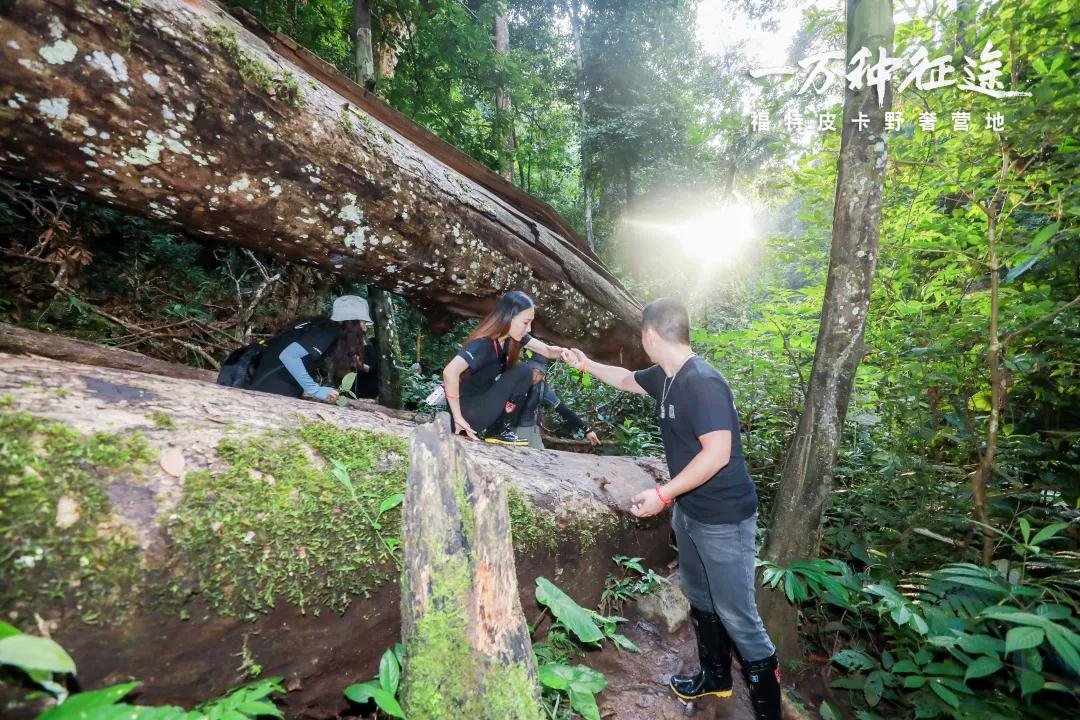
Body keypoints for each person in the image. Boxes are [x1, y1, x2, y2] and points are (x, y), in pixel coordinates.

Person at [561, 298, 780, 720]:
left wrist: (663, 494)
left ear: (651, 336)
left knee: (740, 616)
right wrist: (585, 364)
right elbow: (625, 379)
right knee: (699, 596)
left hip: (724, 518)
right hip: (691, 512)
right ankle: (715, 679)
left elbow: (717, 455)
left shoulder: (702, 381)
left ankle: (768, 712)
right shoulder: (667, 376)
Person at [442, 290, 566, 446]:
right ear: (509, 317)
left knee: (522, 372)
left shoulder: (511, 339)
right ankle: (499, 431)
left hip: (482, 406)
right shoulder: (484, 344)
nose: (528, 329)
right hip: (469, 413)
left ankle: (499, 430)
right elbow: (449, 372)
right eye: (525, 322)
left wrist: (566, 353)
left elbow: (547, 351)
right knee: (524, 371)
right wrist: (458, 418)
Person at [248, 295, 376, 403]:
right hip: (273, 387)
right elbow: (289, 356)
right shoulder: (327, 331)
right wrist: (315, 390)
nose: (365, 328)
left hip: (270, 383)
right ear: (352, 323)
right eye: (364, 322)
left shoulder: (320, 326)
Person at [515, 354, 600, 450]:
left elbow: (564, 410)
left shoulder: (543, 388)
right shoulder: (513, 378)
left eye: (540, 373)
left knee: (540, 457)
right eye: (533, 370)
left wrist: (587, 430)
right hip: (504, 425)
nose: (535, 377)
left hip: (527, 427)